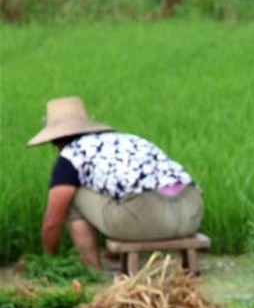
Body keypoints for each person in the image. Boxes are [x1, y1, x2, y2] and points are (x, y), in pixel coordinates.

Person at [27, 96, 203, 270]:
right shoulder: (126, 140)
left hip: (151, 219)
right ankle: (115, 255)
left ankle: (94, 270)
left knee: (72, 198)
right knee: (114, 191)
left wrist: (48, 260)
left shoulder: (71, 156)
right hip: (191, 213)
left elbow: (52, 221)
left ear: (54, 140)